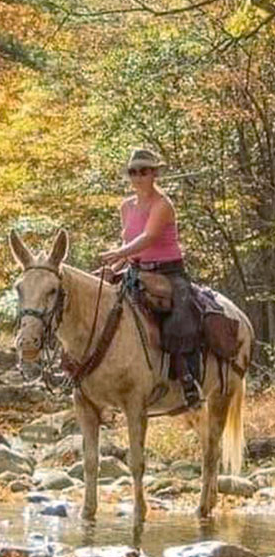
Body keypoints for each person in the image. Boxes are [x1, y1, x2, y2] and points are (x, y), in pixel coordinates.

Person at [99, 148, 202, 409]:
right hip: (136, 270)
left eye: (144, 171)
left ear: (154, 173)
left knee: (179, 320)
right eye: (133, 172)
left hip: (168, 272)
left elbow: (149, 238)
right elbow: (130, 244)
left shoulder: (163, 205)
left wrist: (118, 253)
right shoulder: (126, 206)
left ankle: (188, 381)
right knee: (101, 308)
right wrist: (115, 265)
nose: (138, 176)